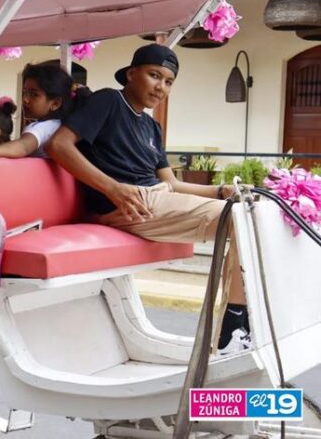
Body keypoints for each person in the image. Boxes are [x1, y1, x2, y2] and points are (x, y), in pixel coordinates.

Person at [46, 44, 249, 353]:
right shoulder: (108, 101)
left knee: (252, 212)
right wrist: (113, 189)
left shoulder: (152, 126)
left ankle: (242, 325)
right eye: (154, 76)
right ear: (131, 74)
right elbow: (59, 146)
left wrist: (221, 191)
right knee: (238, 220)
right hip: (133, 203)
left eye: (168, 82)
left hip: (157, 197)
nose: (161, 87)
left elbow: (170, 183)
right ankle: (233, 330)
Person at [0, 62, 89, 168]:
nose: (25, 99)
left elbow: (23, 146)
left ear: (55, 103)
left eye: (34, 95)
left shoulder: (41, 128)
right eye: (24, 92)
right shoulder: (64, 126)